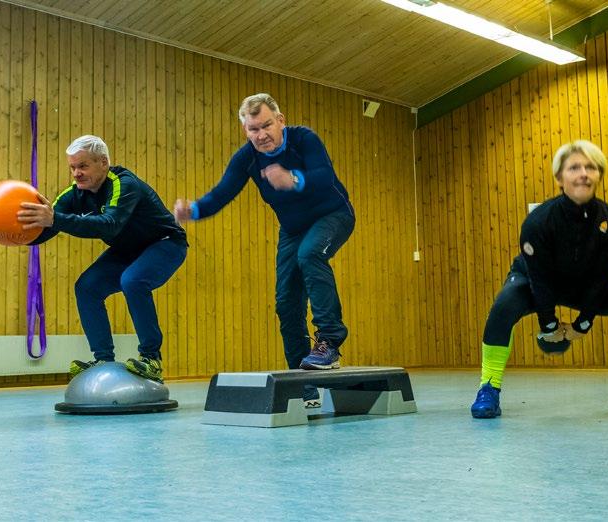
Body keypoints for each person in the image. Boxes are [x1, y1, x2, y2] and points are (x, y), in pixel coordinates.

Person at [471, 140, 608, 418]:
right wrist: (549, 325)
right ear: (560, 177)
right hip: (533, 279)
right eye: (574, 167)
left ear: (598, 175)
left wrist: (582, 324)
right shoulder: (537, 223)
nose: (583, 173)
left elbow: (601, 279)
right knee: (504, 305)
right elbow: (540, 280)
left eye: (590, 167)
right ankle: (489, 388)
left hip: (583, 284)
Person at [174, 93, 355, 404]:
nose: (261, 135)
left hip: (333, 215)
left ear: (280, 121)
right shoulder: (247, 158)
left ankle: (329, 341)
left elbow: (324, 177)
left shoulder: (304, 139)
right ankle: (304, 385)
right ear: (245, 130)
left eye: (266, 126)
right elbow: (222, 193)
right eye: (253, 129)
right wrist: (195, 210)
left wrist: (294, 179)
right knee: (286, 303)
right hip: (294, 229)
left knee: (310, 254)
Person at [17, 135, 187, 383]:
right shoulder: (74, 194)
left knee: (133, 280)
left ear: (103, 163)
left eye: (83, 166)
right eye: (72, 167)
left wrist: (54, 219)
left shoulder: (124, 184)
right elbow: (48, 226)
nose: (76, 173)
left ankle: (152, 359)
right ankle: (103, 359)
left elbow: (109, 226)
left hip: (165, 244)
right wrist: (14, 235)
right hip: (126, 250)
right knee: (86, 287)